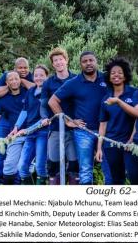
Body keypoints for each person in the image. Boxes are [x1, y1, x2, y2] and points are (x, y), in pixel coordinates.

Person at [48, 51, 109, 185]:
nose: (88, 63)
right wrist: (67, 120)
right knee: (86, 170)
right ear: (80, 64)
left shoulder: (106, 79)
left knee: (108, 169)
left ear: (96, 61)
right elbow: (52, 101)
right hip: (83, 132)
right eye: (84, 61)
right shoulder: (74, 82)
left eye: (91, 60)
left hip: (106, 131)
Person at [39, 47, 78, 185]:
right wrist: (44, 118)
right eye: (55, 60)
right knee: (53, 165)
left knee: (74, 165)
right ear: (52, 64)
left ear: (66, 60)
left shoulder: (76, 79)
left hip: (74, 129)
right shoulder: (48, 83)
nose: (58, 62)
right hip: (55, 128)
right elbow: (44, 105)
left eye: (61, 59)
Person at [95, 57, 137, 185]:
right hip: (110, 145)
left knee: (135, 178)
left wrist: (132, 139)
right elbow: (102, 126)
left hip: (130, 145)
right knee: (117, 180)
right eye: (113, 73)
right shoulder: (106, 98)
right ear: (109, 76)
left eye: (119, 72)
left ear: (125, 76)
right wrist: (99, 148)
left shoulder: (134, 93)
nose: (116, 75)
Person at [0, 71, 26, 185]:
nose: (14, 81)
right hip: (14, 134)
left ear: (20, 80)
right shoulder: (3, 99)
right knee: (6, 158)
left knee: (24, 162)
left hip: (29, 132)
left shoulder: (27, 93)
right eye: (11, 79)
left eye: (16, 78)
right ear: (7, 83)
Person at [11, 65, 51, 185]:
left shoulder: (49, 93)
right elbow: (24, 110)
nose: (38, 78)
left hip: (43, 133)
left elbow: (46, 118)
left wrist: (27, 130)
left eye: (41, 75)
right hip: (30, 134)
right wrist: (16, 127)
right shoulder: (30, 91)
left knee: (39, 166)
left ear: (47, 76)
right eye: (36, 75)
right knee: (22, 167)